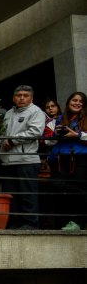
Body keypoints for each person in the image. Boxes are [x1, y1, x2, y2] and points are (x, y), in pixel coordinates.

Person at [0, 84, 45, 229]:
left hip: (26, 160)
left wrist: (13, 140)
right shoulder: (8, 113)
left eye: (25, 96)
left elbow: (35, 131)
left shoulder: (36, 111)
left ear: (31, 98)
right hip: (8, 161)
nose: (21, 98)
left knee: (27, 195)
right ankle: (14, 224)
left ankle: (30, 225)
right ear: (13, 98)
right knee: (12, 196)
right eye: (19, 95)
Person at [49, 91, 87, 230]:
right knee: (57, 185)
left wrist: (77, 135)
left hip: (82, 158)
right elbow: (52, 139)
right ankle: (65, 222)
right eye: (74, 100)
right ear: (68, 102)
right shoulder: (60, 118)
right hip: (62, 158)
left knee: (77, 189)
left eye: (80, 101)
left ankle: (77, 222)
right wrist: (57, 133)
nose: (77, 103)